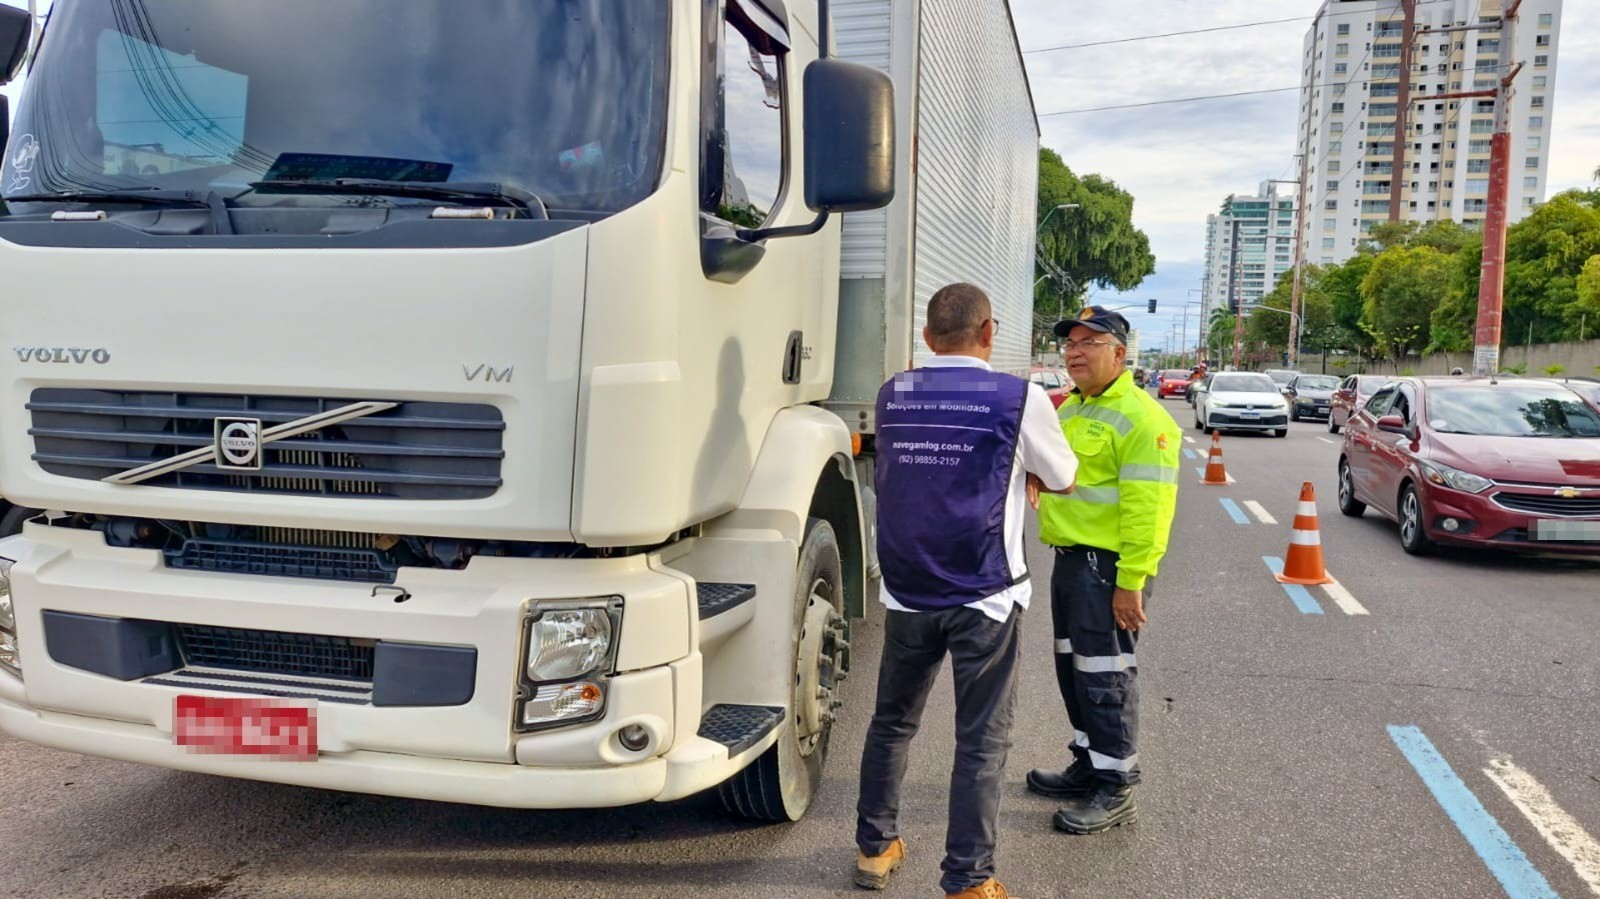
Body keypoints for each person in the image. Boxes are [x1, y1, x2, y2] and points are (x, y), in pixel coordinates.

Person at [855, 283, 1079, 899]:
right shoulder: (1018, 397)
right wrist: (1026, 473)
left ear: (928, 339)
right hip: (984, 593)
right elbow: (1063, 476)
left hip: (906, 591)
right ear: (989, 333)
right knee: (981, 740)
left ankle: (874, 849)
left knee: (892, 723)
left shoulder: (893, 392)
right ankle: (968, 880)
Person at [1025, 305, 1180, 835]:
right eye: (1070, 342)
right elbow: (1057, 471)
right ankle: (1089, 763)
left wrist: (1131, 582)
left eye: (1090, 342)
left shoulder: (1142, 418)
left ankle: (1116, 788)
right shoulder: (1071, 410)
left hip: (1108, 567)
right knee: (1074, 669)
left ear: (1120, 352)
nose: (1074, 351)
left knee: (1105, 672)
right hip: (1071, 561)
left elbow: (1149, 511)